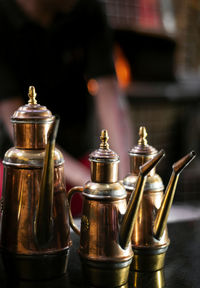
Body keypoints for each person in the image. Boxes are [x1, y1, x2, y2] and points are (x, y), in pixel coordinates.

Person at [0, 0, 133, 190]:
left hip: (78, 158)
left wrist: (124, 181)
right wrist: (92, 185)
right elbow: (15, 123)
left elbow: (109, 92)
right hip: (15, 169)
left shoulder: (86, 8)